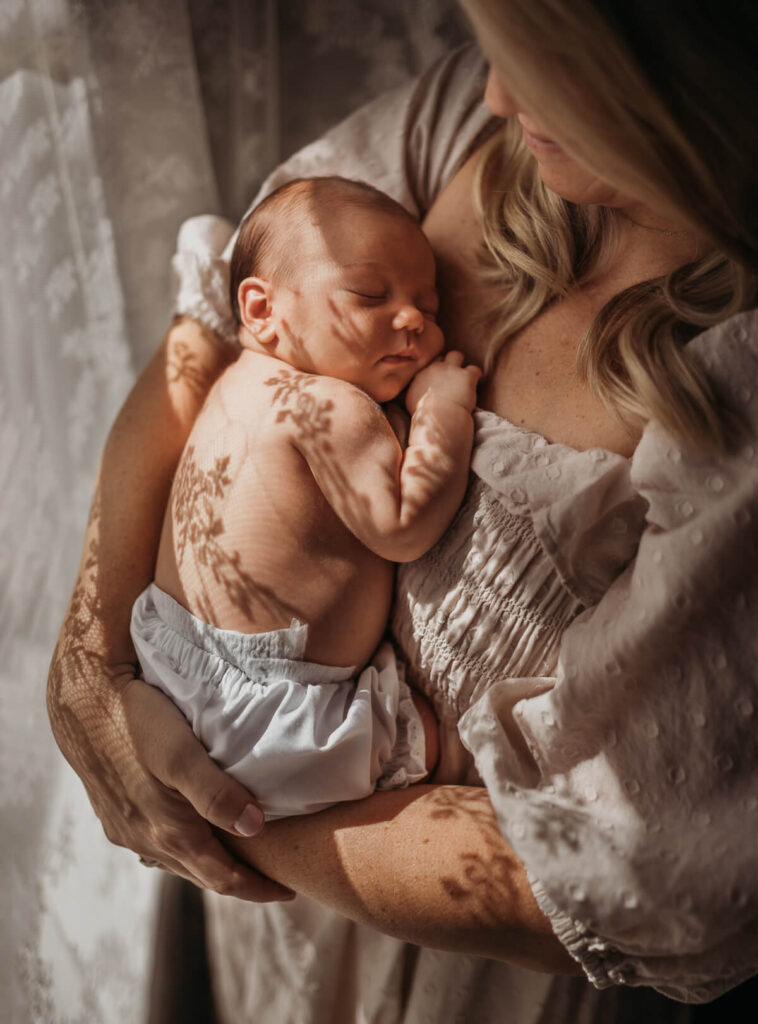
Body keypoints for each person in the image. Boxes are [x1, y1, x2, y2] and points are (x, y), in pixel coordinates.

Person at [47, 1, 758, 1020]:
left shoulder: (727, 377)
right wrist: (91, 661)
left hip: (450, 971)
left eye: (540, 67)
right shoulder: (466, 123)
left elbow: (611, 866)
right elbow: (214, 316)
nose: (494, 91)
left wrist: (220, 797)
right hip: (262, 862)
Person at [130, 175, 482, 820]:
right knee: (449, 745)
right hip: (274, 726)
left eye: (429, 311)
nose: (411, 320)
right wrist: (443, 411)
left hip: (168, 656)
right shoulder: (327, 405)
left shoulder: (234, 383)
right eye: (369, 295)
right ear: (263, 310)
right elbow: (403, 524)